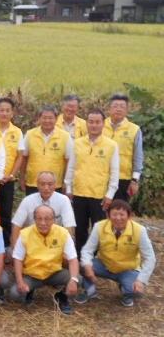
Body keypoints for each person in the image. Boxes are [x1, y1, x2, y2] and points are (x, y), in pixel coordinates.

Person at [74, 200, 156, 307]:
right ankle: (90, 290)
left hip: (127, 269)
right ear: (108, 215)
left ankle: (125, 290)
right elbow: (87, 250)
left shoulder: (139, 230)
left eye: (122, 214)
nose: (118, 218)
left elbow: (150, 257)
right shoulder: (99, 226)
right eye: (114, 214)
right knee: (81, 265)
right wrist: (87, 265)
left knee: (137, 293)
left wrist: (141, 281)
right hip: (103, 265)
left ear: (129, 216)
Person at [65, 109, 119, 255]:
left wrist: (110, 194)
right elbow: (71, 167)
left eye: (97, 122)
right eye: (91, 122)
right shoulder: (77, 143)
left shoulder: (111, 145)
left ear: (103, 124)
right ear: (86, 124)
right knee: (80, 228)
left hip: (99, 195)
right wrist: (68, 188)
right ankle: (80, 257)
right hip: (79, 193)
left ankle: (94, 259)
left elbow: (114, 173)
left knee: (98, 228)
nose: (94, 125)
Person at [9, 205, 80, 315]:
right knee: (15, 294)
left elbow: (73, 259)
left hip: (54, 272)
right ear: (34, 219)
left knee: (78, 279)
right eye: (39, 218)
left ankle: (61, 297)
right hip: (31, 274)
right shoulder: (25, 234)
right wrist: (20, 281)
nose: (43, 222)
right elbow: (18, 259)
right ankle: (30, 290)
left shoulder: (63, 233)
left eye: (47, 219)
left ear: (54, 220)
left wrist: (73, 280)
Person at [0, 97, 24, 254]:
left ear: (12, 113)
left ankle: (5, 245)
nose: (4, 113)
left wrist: (11, 175)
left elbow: (19, 156)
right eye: (1, 110)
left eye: (7, 110)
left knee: (6, 213)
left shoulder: (17, 132)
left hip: (8, 180)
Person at [11, 171, 76, 250]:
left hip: (55, 242)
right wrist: (14, 249)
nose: (46, 188)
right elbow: (16, 225)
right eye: (42, 184)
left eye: (50, 184)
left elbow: (69, 226)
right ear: (37, 185)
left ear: (55, 185)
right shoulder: (28, 200)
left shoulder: (64, 200)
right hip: (32, 240)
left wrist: (67, 250)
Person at [19, 105, 73, 195]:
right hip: (33, 183)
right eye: (44, 117)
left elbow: (69, 161)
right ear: (39, 118)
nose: (47, 121)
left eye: (51, 118)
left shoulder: (65, 136)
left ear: (56, 119)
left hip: (55, 184)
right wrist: (21, 179)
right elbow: (24, 158)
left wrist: (66, 182)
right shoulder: (30, 135)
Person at [103, 93, 144, 203]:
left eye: (122, 106)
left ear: (127, 110)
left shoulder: (134, 130)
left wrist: (134, 180)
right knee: (100, 212)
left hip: (123, 179)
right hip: (101, 176)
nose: (118, 109)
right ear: (109, 109)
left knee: (119, 212)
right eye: (115, 106)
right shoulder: (99, 125)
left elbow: (138, 156)